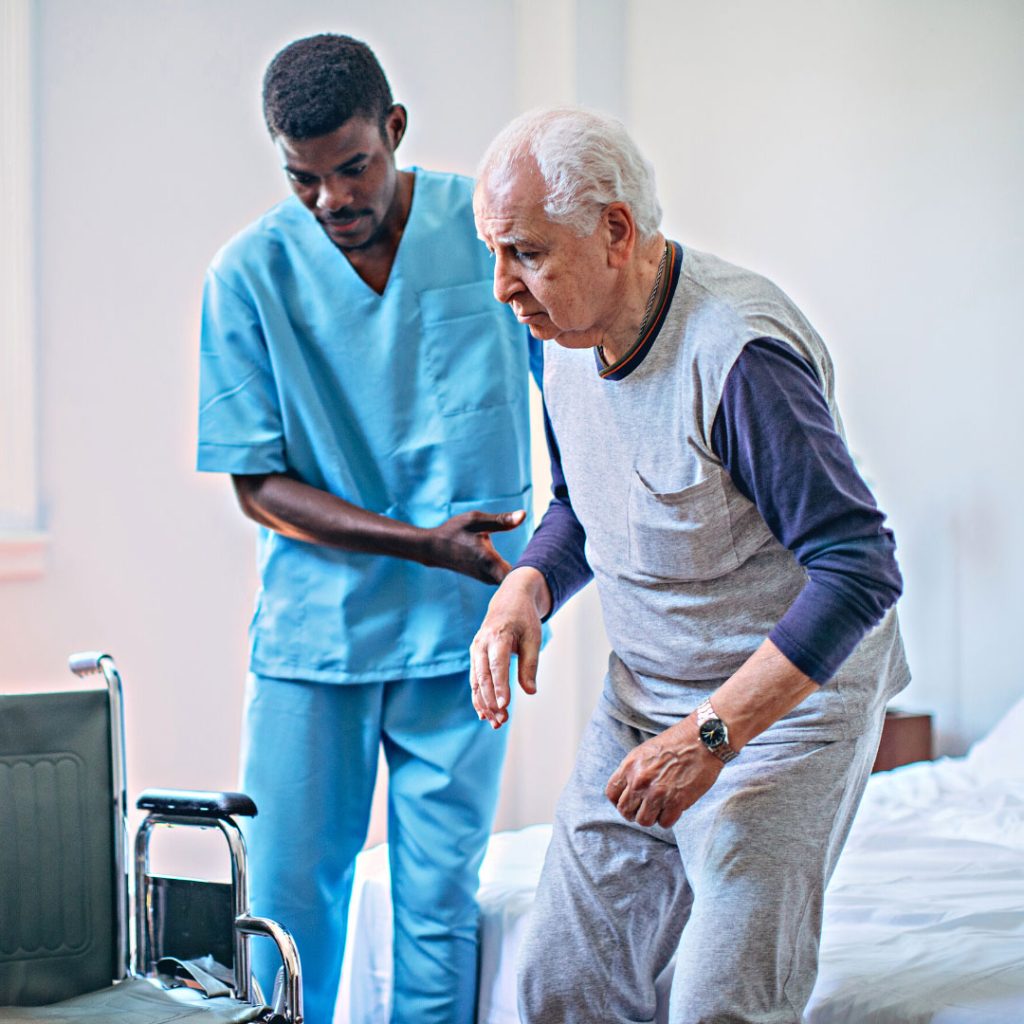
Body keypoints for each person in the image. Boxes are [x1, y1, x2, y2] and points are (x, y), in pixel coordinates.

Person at [469, 107, 910, 1024]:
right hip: (645, 698)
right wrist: (531, 583)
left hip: (786, 716)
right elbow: (587, 506)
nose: (505, 285)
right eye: (497, 253)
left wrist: (710, 736)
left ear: (615, 232)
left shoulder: (737, 355)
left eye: (526, 252)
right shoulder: (559, 332)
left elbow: (860, 568)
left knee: (719, 1005)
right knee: (559, 984)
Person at [196, 34, 539, 1024]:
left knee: (438, 907)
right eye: (304, 178)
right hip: (318, 635)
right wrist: (423, 542)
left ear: (394, 130)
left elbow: (572, 377)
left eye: (353, 167)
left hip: (464, 633)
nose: (332, 199)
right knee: (290, 910)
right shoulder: (250, 274)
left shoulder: (487, 233)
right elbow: (257, 485)